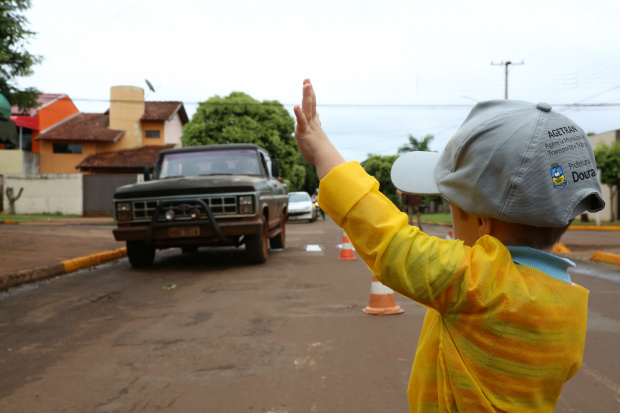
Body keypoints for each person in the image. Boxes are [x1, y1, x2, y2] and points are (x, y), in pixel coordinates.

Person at [293, 79, 605, 413]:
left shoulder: (479, 283)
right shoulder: (569, 300)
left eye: (452, 206)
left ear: (481, 220)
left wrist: (321, 148)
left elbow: (389, 240)